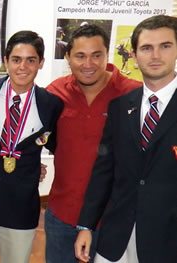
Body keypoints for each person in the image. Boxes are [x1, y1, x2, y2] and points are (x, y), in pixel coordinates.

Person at [75, 15, 177, 263]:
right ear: (133, 54)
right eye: (146, 48)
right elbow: (104, 170)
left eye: (165, 46)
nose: (155, 56)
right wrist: (85, 225)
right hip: (116, 238)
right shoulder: (121, 107)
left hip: (167, 241)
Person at [45, 24, 141, 263]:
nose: (88, 64)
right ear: (67, 57)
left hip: (113, 219)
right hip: (62, 215)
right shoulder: (55, 92)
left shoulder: (133, 94)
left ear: (107, 54)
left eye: (96, 55)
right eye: (80, 56)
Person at [0, 30, 62, 263]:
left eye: (31, 60)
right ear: (6, 61)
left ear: (40, 63)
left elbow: (56, 144)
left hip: (21, 202)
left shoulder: (51, 105)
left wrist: (34, 166)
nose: (23, 67)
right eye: (16, 59)